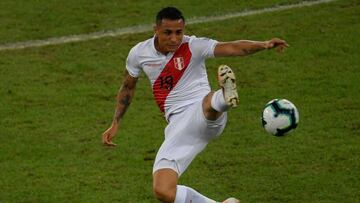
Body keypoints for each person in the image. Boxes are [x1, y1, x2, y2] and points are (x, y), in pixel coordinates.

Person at [102, 6, 288, 203]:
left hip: (204, 113)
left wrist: (264, 44)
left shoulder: (194, 46)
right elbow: (127, 87)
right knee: (163, 190)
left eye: (179, 32)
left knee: (207, 104)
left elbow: (233, 47)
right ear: (155, 30)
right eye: (168, 33)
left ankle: (224, 97)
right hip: (179, 128)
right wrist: (116, 122)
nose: (174, 38)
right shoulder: (139, 53)